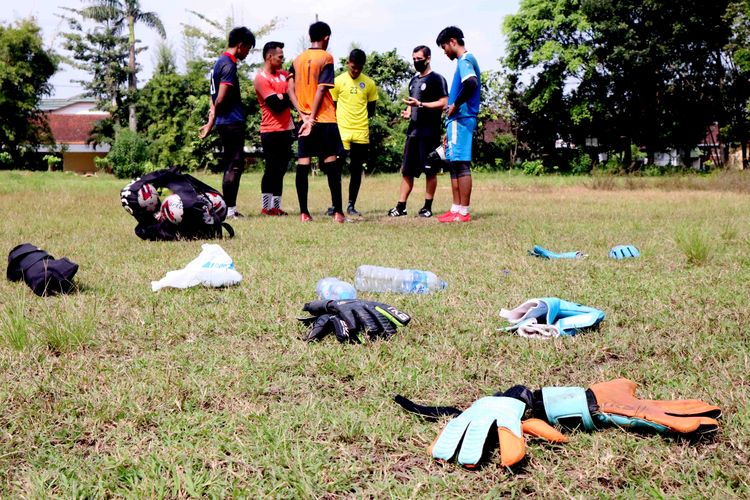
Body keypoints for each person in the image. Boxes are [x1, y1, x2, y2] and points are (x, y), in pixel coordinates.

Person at [288, 21, 346, 223]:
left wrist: (302, 115)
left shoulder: (297, 60)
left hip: (303, 119)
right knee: (331, 163)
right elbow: (322, 88)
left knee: (303, 163)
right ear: (327, 38)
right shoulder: (326, 57)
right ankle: (338, 213)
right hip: (324, 118)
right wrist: (312, 118)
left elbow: (289, 88)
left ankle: (304, 213)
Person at [199, 27, 256, 219]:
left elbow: (212, 96)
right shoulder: (229, 65)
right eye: (248, 48)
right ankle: (229, 210)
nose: (248, 52)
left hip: (226, 121)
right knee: (235, 164)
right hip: (231, 121)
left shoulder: (219, 63)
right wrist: (212, 118)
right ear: (240, 45)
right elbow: (220, 97)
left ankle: (228, 208)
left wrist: (211, 120)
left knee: (232, 163)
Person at [388, 45, 448, 218]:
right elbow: (411, 103)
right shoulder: (413, 81)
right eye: (414, 59)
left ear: (428, 59)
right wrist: (408, 112)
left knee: (430, 171)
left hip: (429, 133)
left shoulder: (438, 79)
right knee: (407, 171)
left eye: (419, 59)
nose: (416, 62)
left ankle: (427, 207)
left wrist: (421, 105)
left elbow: (444, 103)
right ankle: (401, 207)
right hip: (412, 133)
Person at [435, 26, 480, 223]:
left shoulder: (466, 59)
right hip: (455, 121)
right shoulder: (462, 61)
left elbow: (471, 83)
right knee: (453, 164)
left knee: (461, 164)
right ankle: (455, 208)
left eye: (444, 47)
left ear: (453, 42)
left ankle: (463, 212)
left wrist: (455, 106)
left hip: (462, 119)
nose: (444, 52)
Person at [329, 48, 378, 217]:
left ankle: (351, 205)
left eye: (359, 68)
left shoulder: (369, 84)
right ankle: (335, 205)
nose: (355, 70)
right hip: (341, 132)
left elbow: (371, 110)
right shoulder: (337, 81)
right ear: (348, 63)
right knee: (336, 169)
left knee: (356, 169)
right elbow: (332, 108)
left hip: (361, 132)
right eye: (353, 67)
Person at [253, 41, 294, 216]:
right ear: (269, 57)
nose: (282, 60)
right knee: (271, 168)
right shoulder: (261, 78)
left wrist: (284, 96)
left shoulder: (284, 74)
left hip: (287, 129)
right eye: (280, 57)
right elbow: (276, 105)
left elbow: (295, 93)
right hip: (270, 131)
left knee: (282, 169)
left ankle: (276, 206)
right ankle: (266, 207)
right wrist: (288, 96)